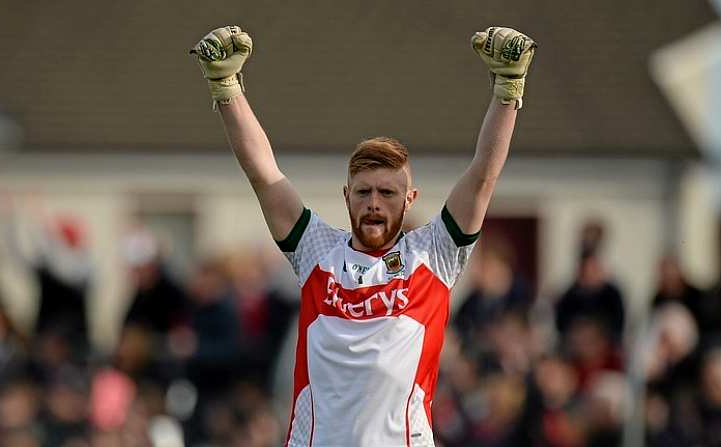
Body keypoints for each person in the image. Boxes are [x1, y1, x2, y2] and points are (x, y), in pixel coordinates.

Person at [189, 24, 536, 446]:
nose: (374, 202)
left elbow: (482, 176)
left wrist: (507, 89)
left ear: (409, 200)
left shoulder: (433, 253)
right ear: (347, 197)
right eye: (364, 192)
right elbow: (264, 173)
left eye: (387, 193)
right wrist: (226, 87)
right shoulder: (317, 249)